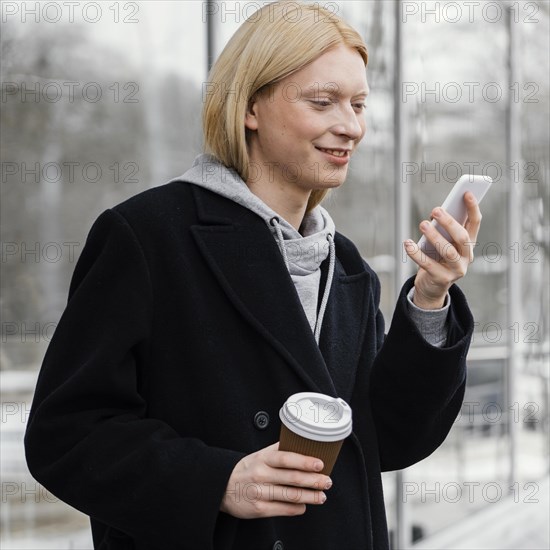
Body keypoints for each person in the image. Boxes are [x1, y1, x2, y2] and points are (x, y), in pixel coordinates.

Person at [25, 2, 481, 549]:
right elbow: (66, 434)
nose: (352, 126)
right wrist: (216, 481)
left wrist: (430, 299)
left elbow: (391, 438)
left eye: (359, 104)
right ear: (250, 108)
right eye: (323, 101)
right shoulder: (147, 237)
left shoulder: (349, 268)